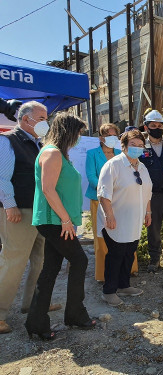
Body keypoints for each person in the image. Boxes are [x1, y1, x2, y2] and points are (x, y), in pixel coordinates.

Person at [26, 113, 96, 340]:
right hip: (54, 220)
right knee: (80, 260)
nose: (78, 138)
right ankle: (75, 314)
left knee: (50, 269)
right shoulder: (52, 153)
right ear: (68, 131)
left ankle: (36, 323)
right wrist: (66, 220)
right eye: (77, 133)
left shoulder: (57, 153)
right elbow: (48, 189)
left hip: (56, 220)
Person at [0, 101, 62, 335]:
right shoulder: (8, 141)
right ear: (26, 120)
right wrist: (10, 206)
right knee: (13, 260)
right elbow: (2, 178)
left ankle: (33, 304)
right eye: (42, 118)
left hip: (38, 212)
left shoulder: (40, 144)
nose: (46, 122)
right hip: (19, 212)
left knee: (41, 260)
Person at [97, 129, 152, 307]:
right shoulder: (113, 165)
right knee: (116, 255)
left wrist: (148, 212)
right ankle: (109, 291)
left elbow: (147, 193)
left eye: (140, 145)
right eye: (133, 145)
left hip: (135, 220)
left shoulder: (142, 167)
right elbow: (103, 194)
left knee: (129, 253)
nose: (137, 148)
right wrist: (109, 215)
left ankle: (123, 285)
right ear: (123, 146)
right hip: (116, 219)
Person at [85, 123, 138, 281]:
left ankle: (129, 269)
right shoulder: (92, 154)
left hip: (121, 201)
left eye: (115, 136)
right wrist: (109, 190)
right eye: (109, 136)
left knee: (126, 235)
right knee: (102, 238)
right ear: (101, 138)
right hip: (100, 200)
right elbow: (92, 177)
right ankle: (103, 274)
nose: (113, 139)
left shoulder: (120, 153)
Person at [139, 110, 163, 273]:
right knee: (153, 228)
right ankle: (155, 259)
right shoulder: (140, 148)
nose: (157, 128)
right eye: (153, 125)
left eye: (160, 125)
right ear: (146, 127)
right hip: (151, 196)